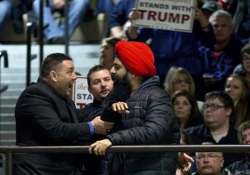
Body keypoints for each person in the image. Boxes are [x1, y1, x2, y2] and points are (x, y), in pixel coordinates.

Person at [89, 40, 180, 175]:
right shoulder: (122, 95)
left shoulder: (157, 95)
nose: (112, 71)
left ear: (133, 72)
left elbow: (153, 130)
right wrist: (111, 111)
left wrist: (112, 140)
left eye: (117, 67)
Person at [14, 53, 113, 175]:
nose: (74, 77)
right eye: (70, 72)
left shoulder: (63, 97)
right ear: (54, 76)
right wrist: (92, 127)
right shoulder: (35, 94)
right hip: (38, 170)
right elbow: (55, 129)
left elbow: (75, 123)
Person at [184, 91, 240, 167]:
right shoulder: (189, 135)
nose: (208, 110)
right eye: (206, 106)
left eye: (214, 106)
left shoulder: (239, 138)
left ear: (228, 111)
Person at [79, 65, 114, 175]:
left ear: (113, 82)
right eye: (96, 82)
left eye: (107, 79)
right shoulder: (84, 113)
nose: (103, 85)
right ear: (89, 89)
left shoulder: (128, 104)